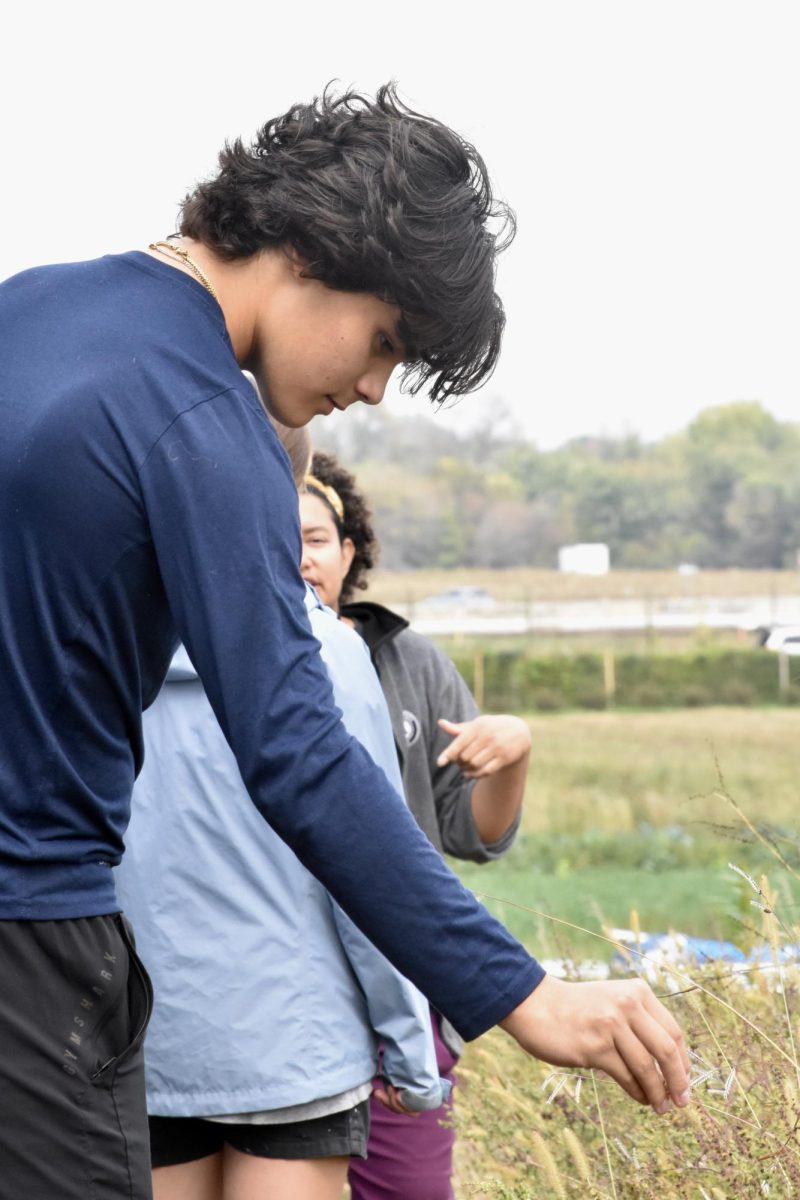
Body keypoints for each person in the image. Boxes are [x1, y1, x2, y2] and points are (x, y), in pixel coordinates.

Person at [0, 83, 690, 1199]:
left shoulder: (27, 310)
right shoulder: (200, 418)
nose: (370, 388)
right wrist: (519, 992)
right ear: (313, 253)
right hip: (30, 931)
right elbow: (299, 753)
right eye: (383, 342)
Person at [115, 417, 449, 1200]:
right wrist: (408, 1049)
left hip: (140, 1045)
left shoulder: (94, 642)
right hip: (296, 1048)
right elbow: (367, 863)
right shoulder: (326, 653)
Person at [300, 452, 531, 1200]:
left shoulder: (407, 662)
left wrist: (510, 755)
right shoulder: (200, 663)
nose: (297, 556)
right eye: (273, 535)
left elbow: (476, 834)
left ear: (349, 551)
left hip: (399, 986)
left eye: (313, 537)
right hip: (280, 990)